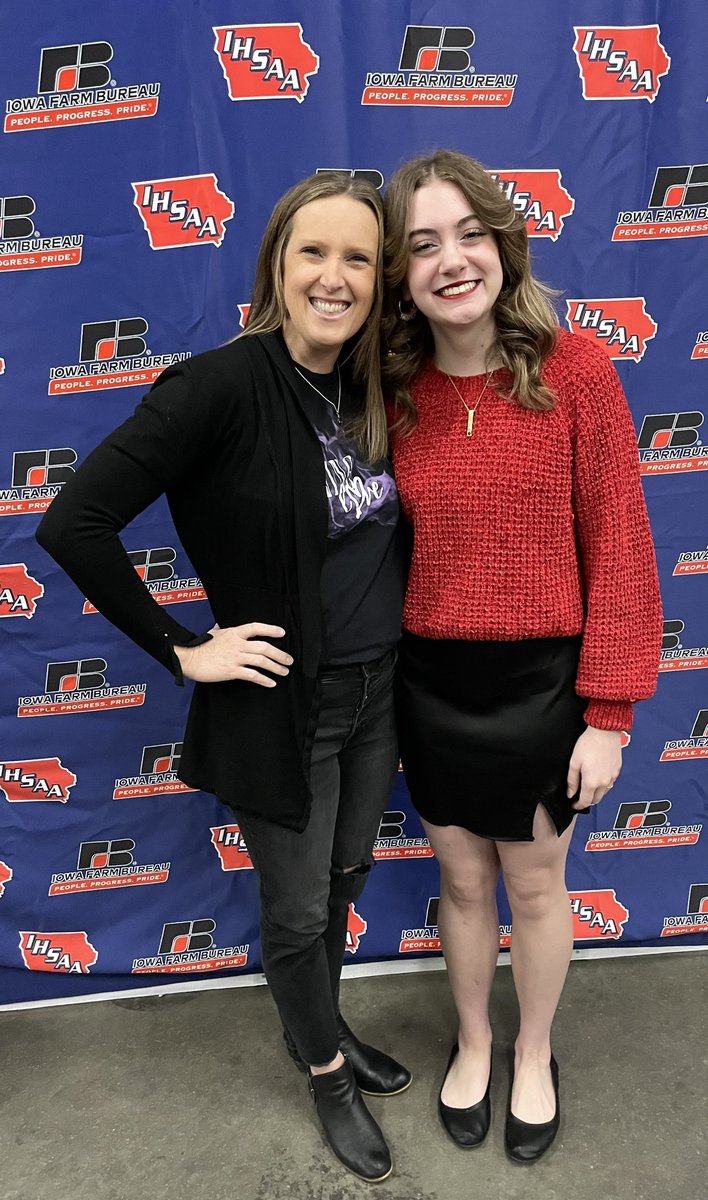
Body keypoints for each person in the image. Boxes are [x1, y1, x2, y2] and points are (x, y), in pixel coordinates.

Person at [36, 172, 411, 1184]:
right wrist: (182, 647)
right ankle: (325, 1069)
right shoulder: (217, 385)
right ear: (276, 264)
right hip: (284, 705)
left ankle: (320, 1023)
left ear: (381, 280)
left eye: (359, 259)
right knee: (294, 911)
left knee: (344, 882)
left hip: (379, 696)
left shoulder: (375, 381)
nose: (335, 278)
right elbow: (72, 522)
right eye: (313, 254)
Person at [382, 149, 662, 1163]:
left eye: (467, 234)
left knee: (536, 888)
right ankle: (473, 1041)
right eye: (421, 245)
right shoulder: (394, 389)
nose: (451, 260)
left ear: (504, 241)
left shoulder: (578, 370)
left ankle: (533, 1054)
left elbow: (624, 545)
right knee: (460, 885)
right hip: (433, 684)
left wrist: (611, 713)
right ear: (400, 276)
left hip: (545, 687)